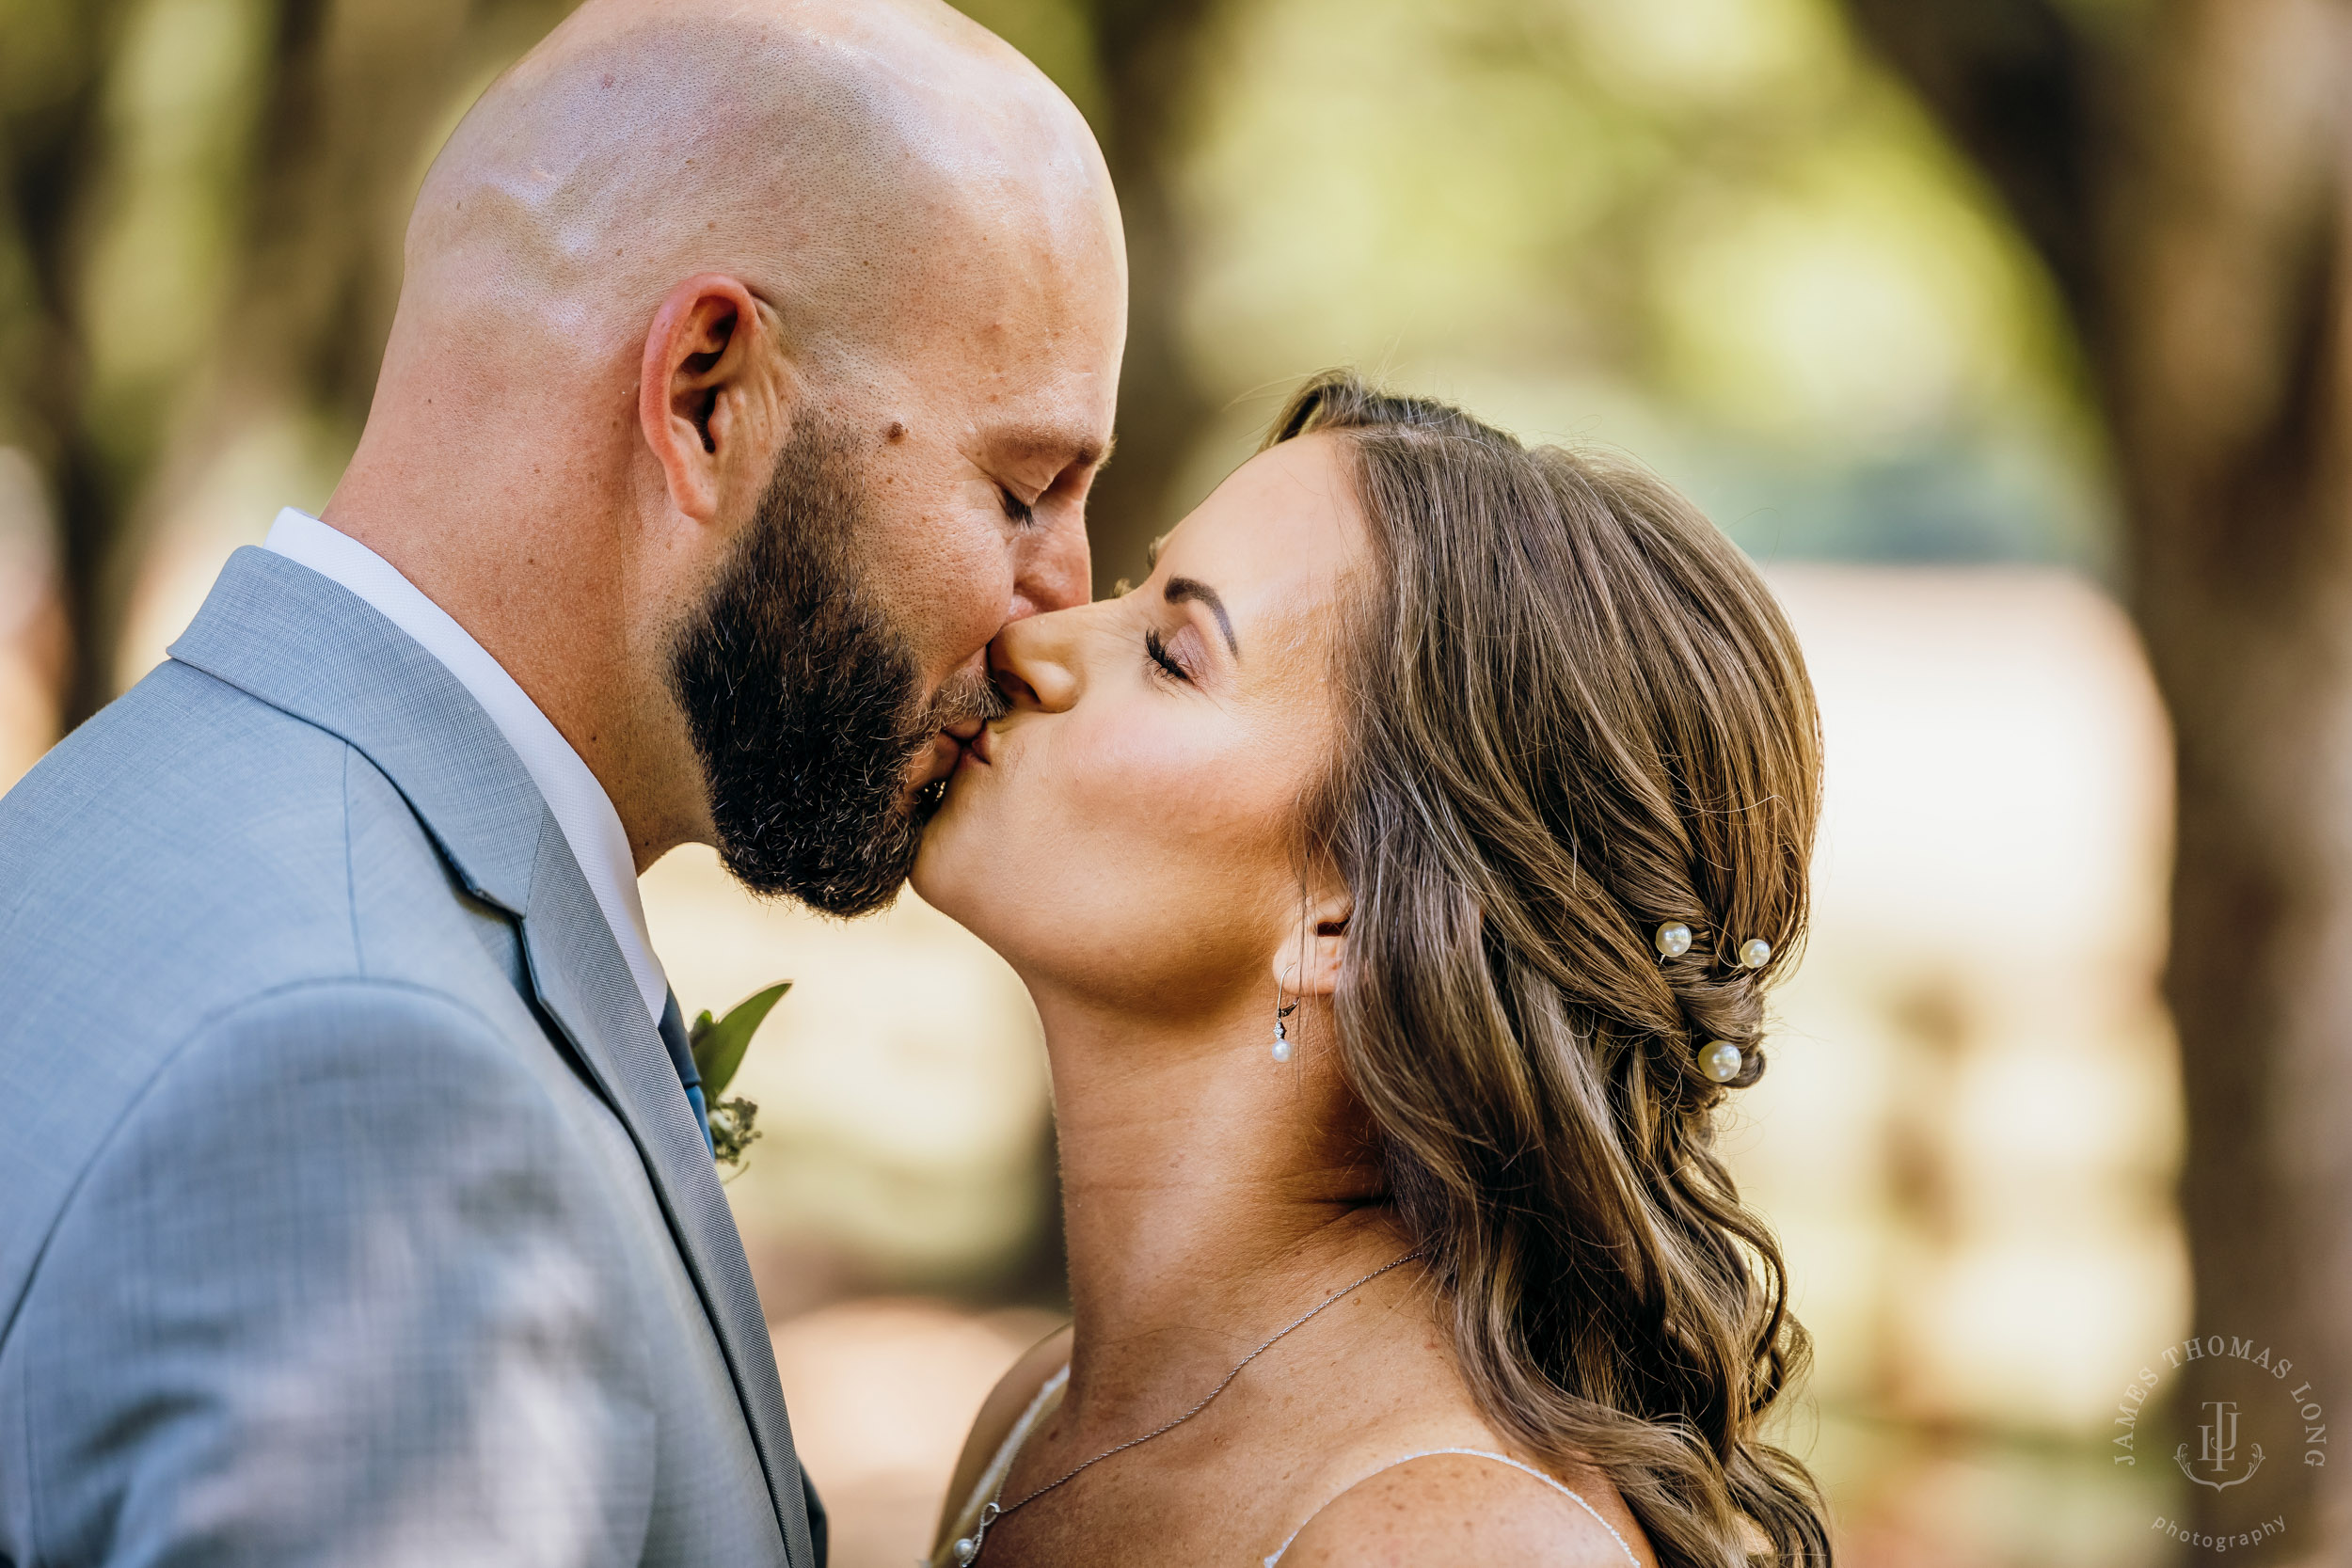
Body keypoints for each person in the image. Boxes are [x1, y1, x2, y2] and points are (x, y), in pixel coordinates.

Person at [0, 0, 1120, 1562]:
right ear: (706, 396)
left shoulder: (107, 828)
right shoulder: (374, 1090)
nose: (1059, 603)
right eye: (1024, 487)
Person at [914, 374, 1835, 1567]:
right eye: (1138, 585)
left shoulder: (1456, 1542)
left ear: (1352, 916)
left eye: (1172, 651)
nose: (1034, 639)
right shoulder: (1038, 1412)